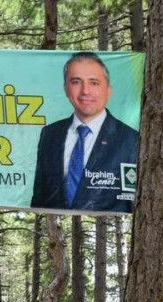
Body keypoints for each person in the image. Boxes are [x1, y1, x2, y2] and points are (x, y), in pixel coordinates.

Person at [29, 52, 139, 213]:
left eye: (94, 83)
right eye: (76, 82)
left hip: (106, 227)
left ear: (108, 90)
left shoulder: (131, 139)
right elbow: (39, 197)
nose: (85, 91)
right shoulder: (49, 134)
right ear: (66, 89)